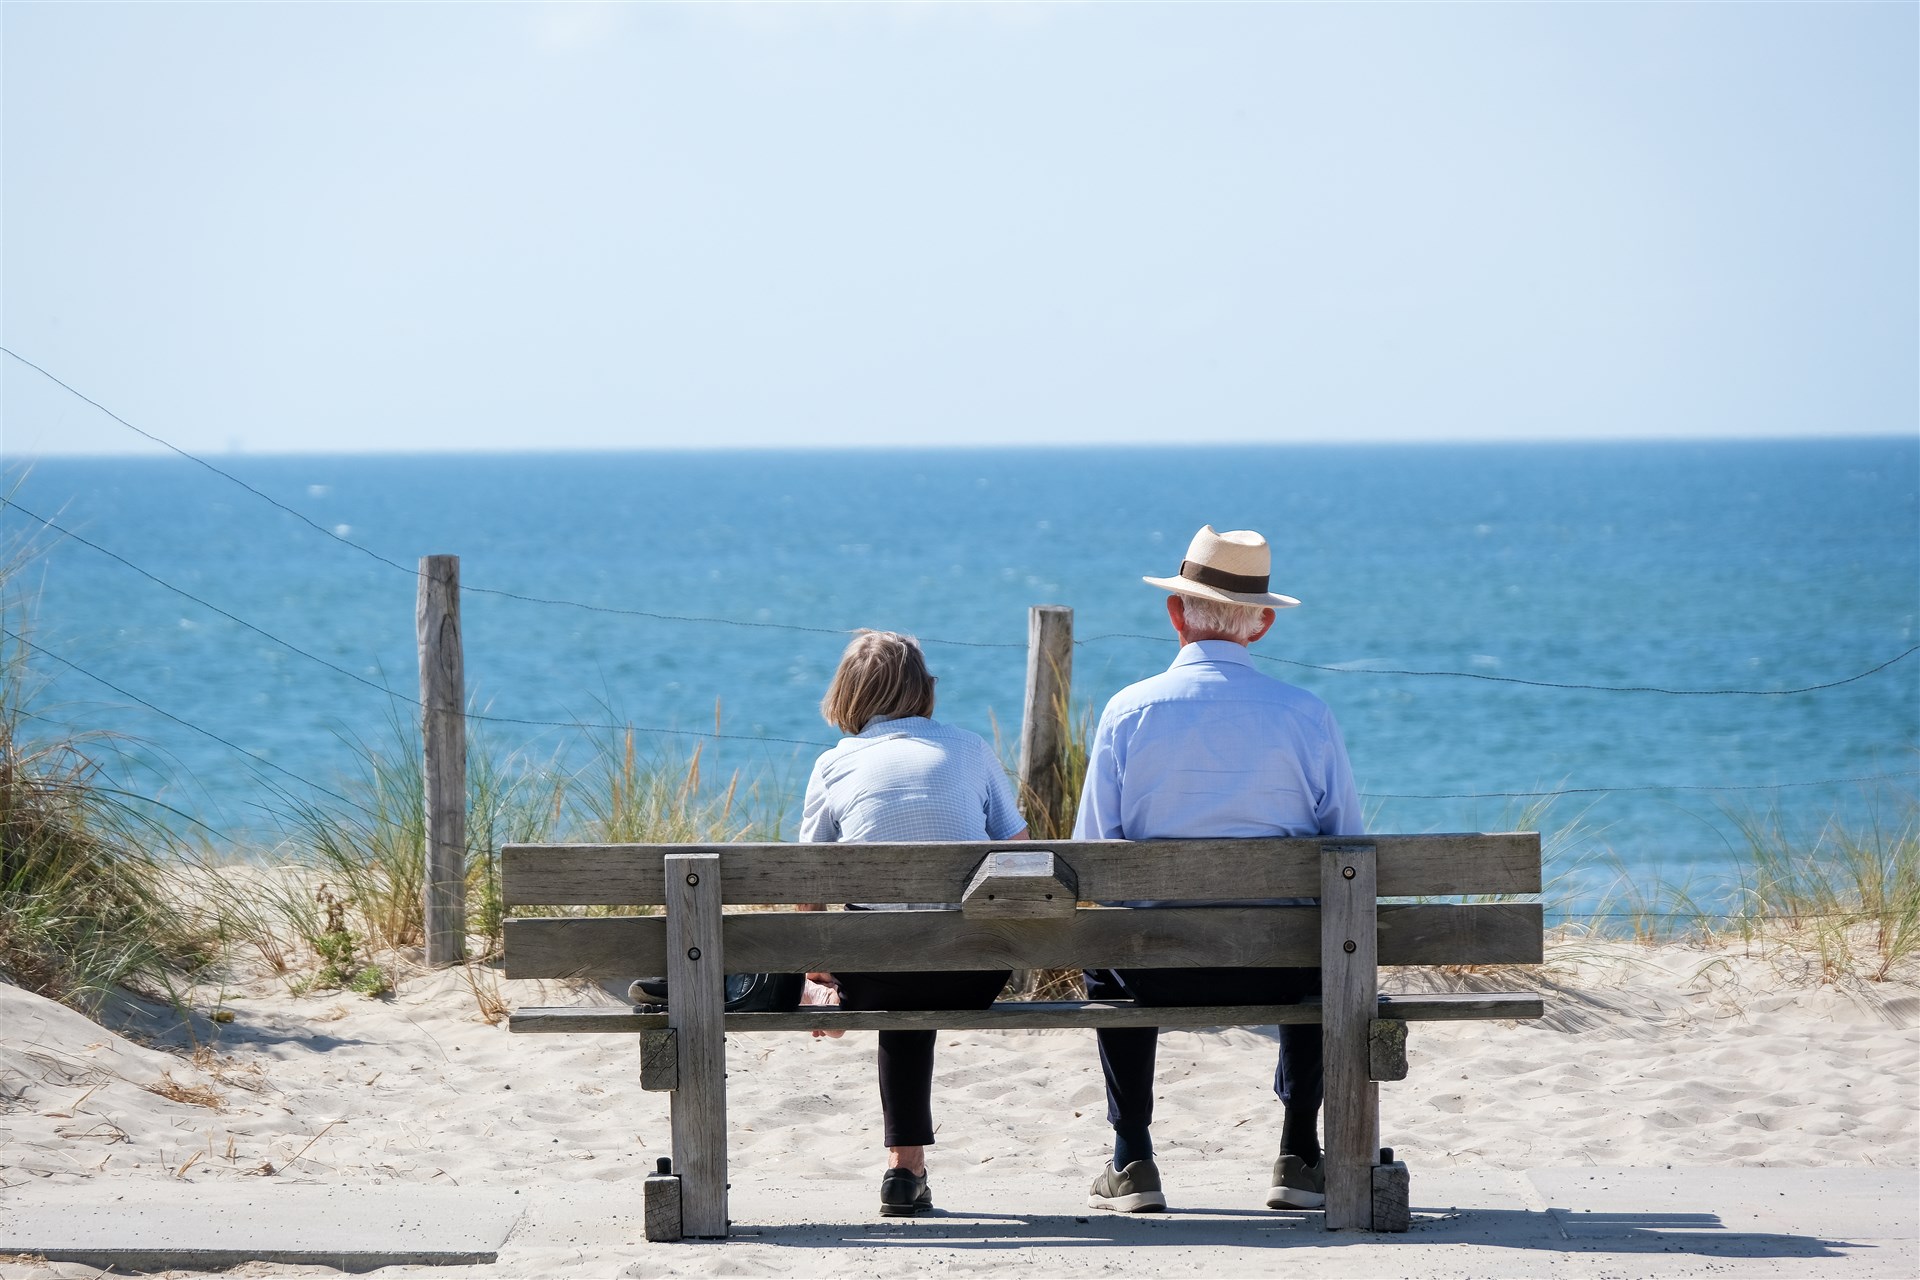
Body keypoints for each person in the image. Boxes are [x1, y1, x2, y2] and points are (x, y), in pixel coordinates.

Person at [1074, 525, 1363, 1214]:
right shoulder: (1307, 716)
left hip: (1153, 965)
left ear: (1177, 613)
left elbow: (1092, 856)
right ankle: (1298, 1153)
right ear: (1260, 624)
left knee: (1104, 949)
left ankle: (1133, 1156)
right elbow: (1350, 848)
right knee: (1324, 940)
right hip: (1278, 966)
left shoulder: (1126, 713)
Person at [800, 629, 1029, 1217]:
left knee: (892, 952)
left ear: (848, 693)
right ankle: (907, 1172)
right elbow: (1024, 852)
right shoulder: (972, 749)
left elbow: (807, 882)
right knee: (922, 943)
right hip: (975, 971)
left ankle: (905, 1169)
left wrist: (820, 972)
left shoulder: (833, 764)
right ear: (925, 690)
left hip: (877, 977)